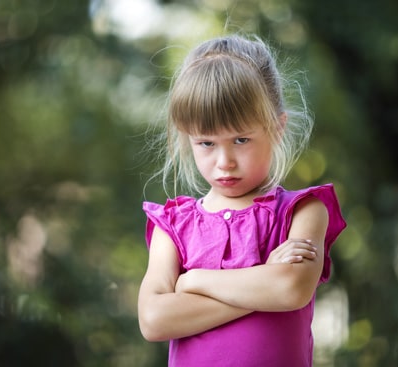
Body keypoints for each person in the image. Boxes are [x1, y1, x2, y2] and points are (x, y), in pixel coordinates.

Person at [138, 34, 346, 367]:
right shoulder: (173, 228)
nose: (225, 162)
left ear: (277, 129)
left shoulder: (302, 212)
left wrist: (193, 282)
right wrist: (265, 281)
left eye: (241, 139)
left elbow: (290, 290)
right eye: (206, 143)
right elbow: (153, 319)